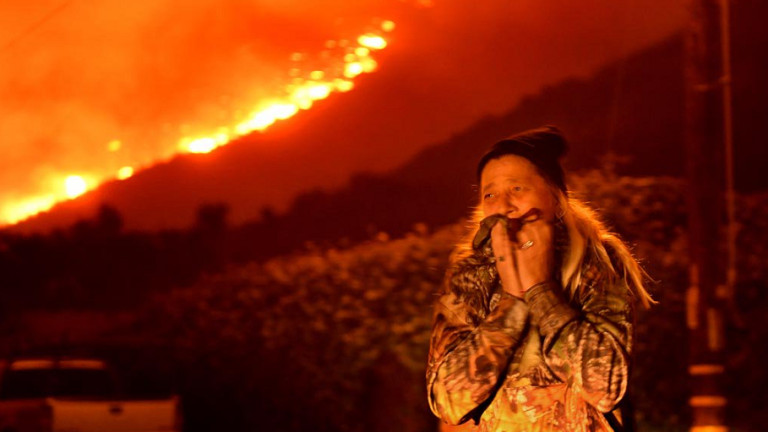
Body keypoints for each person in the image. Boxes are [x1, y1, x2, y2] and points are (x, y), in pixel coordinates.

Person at [425, 126, 654, 432]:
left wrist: (541, 291)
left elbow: (605, 387)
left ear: (556, 197)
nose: (504, 206)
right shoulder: (470, 277)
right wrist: (513, 302)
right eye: (490, 194)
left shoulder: (595, 261)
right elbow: (448, 402)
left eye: (517, 188)